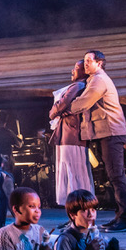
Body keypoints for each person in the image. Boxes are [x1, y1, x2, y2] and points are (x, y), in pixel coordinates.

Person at [69, 50, 126, 231]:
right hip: (107, 133)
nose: (86, 64)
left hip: (112, 132)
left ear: (100, 63)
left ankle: (125, 219)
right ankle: (120, 216)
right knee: (113, 175)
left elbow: (82, 104)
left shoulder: (99, 80)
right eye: (86, 61)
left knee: (116, 176)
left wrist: (69, 105)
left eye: (89, 60)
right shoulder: (93, 79)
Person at [49, 60, 94, 207]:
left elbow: (61, 104)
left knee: (73, 172)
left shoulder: (78, 86)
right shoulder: (80, 86)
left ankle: (79, 208)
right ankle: (75, 210)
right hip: (68, 135)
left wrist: (54, 111)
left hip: (71, 136)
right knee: (72, 173)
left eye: (76, 68)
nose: (72, 71)